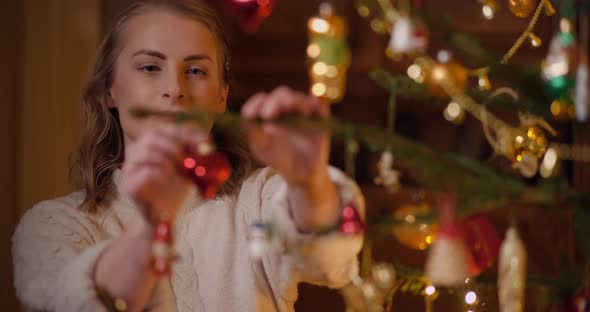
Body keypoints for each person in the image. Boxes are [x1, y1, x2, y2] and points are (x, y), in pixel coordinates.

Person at [12, 0, 364, 311]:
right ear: (110, 91)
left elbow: (330, 258)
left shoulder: (257, 201)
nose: (175, 89)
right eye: (150, 67)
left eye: (195, 71)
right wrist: (153, 224)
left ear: (221, 96)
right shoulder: (54, 226)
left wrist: (309, 180)